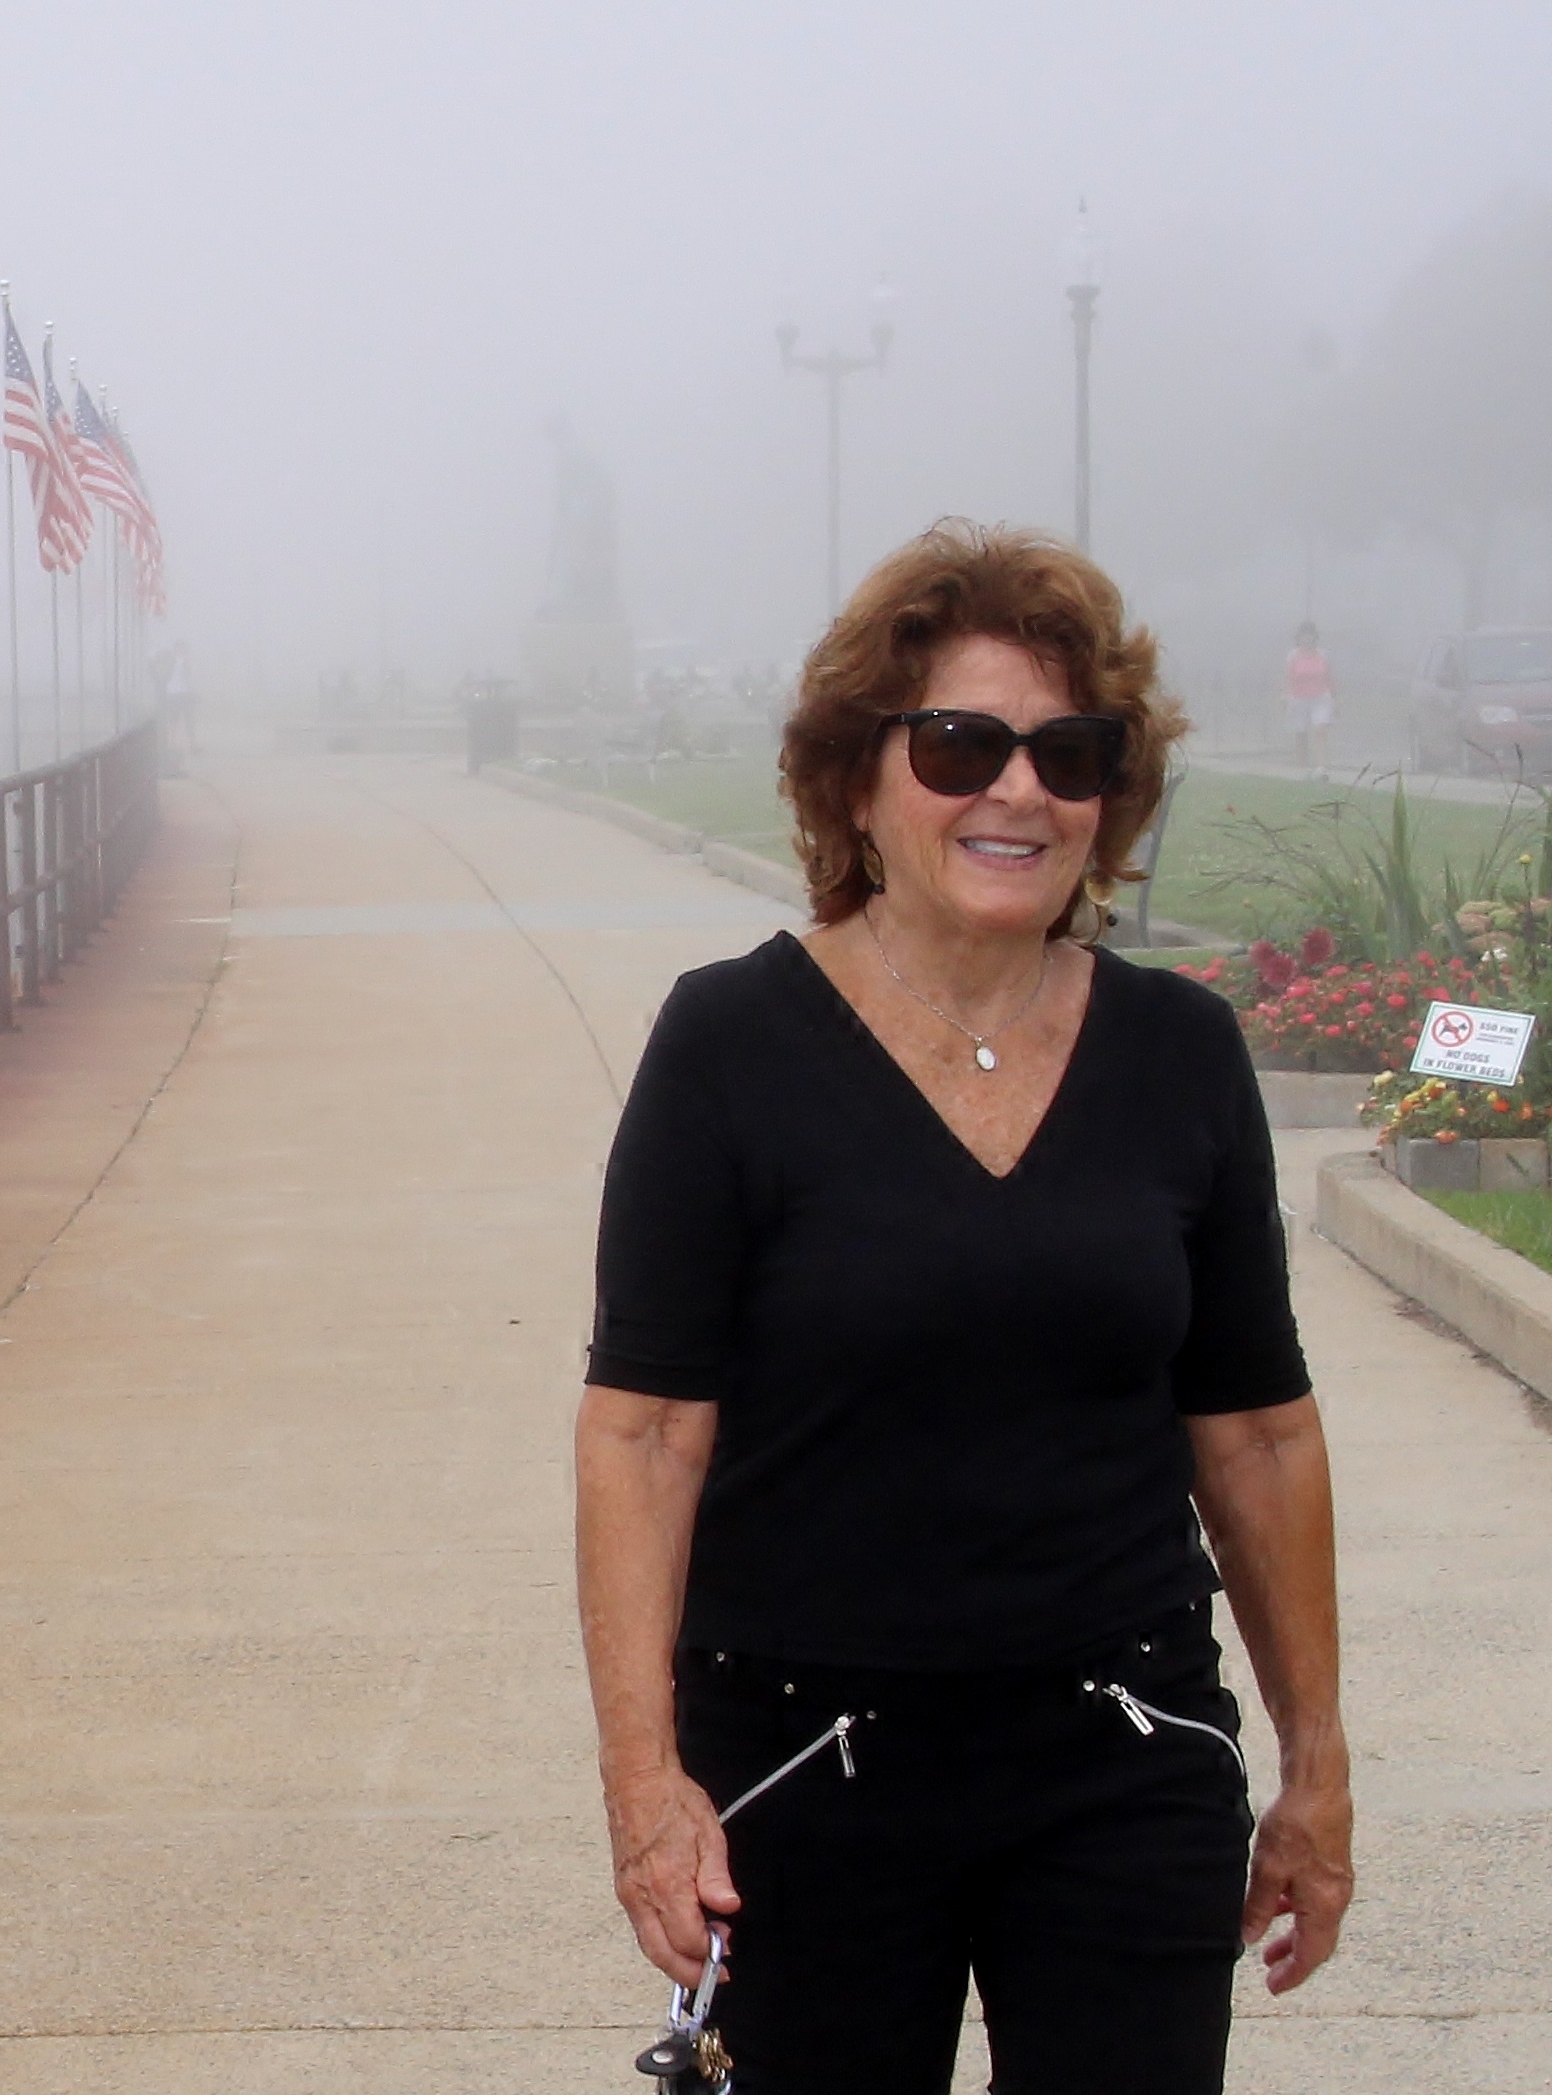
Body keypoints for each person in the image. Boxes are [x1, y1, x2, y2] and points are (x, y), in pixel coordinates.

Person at [577, 520, 1353, 2094]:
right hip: (803, 1758)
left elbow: (1255, 1433)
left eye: (1068, 753)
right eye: (956, 745)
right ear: (854, 778)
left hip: (1122, 1742)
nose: (1016, 790)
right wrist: (642, 1781)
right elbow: (643, 1432)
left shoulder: (1178, 1053)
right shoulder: (726, 1044)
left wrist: (1314, 1762)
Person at [1284, 619, 1334, 771]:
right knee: (1301, 732)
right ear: (1299, 637)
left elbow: (1329, 677)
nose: (1307, 638)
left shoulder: (1323, 655)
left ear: (1315, 636)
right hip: (1299, 698)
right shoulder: (1293, 656)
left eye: (1310, 634)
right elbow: (1288, 677)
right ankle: (1302, 765)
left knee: (1320, 729)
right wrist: (1286, 695)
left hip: (1320, 697)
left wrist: (1335, 697)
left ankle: (1321, 765)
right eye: (1304, 635)